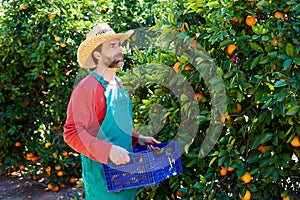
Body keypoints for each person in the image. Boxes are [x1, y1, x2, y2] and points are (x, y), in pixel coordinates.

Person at [63, 24, 160, 200]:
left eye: (119, 45)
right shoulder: (87, 88)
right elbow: (72, 133)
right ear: (97, 54)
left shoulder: (118, 83)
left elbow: (113, 128)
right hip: (103, 181)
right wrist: (108, 151)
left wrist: (137, 138)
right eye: (112, 46)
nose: (119, 50)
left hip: (126, 176)